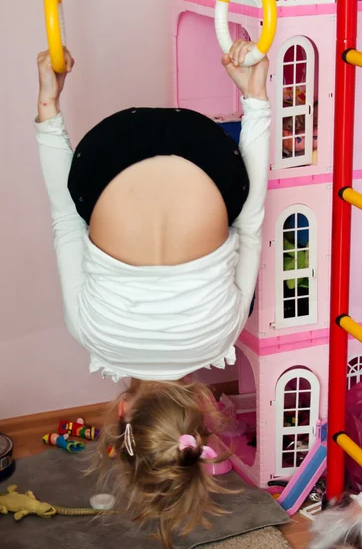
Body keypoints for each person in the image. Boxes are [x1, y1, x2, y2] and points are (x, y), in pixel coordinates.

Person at [35, 40, 271, 546]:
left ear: (203, 415)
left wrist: (256, 99)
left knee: (236, 225)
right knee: (77, 218)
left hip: (206, 152)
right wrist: (48, 109)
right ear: (123, 414)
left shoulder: (223, 334)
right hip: (109, 152)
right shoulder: (90, 333)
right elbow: (63, 221)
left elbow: (251, 223)